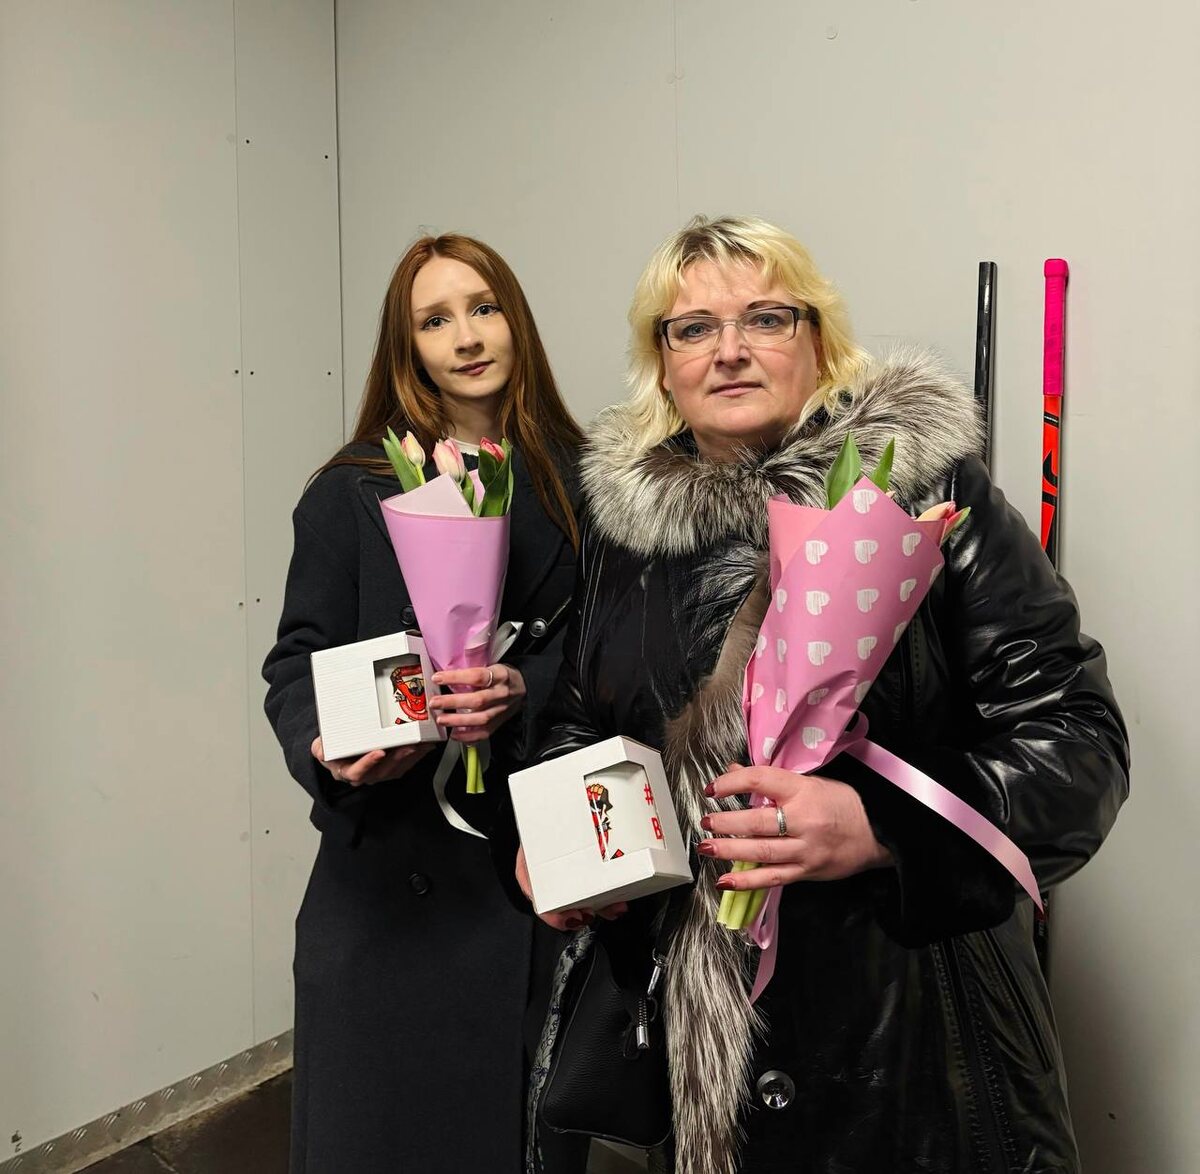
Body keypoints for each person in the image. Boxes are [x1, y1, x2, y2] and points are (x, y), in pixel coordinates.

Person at [521, 215, 1129, 1174]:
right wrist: (562, 842)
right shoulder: (622, 538)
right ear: (663, 365)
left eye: (766, 318)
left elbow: (1077, 744)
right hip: (695, 1058)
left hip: (916, 1059)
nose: (729, 349)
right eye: (693, 328)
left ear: (818, 341)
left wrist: (882, 825)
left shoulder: (929, 494)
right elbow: (577, 721)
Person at [264, 233, 585, 1174]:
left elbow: (619, 662)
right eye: (434, 320)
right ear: (406, 346)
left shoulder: (590, 485)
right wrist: (327, 746)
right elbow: (296, 663)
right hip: (384, 888)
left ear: (516, 320)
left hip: (531, 869)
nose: (466, 337)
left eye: (483, 309)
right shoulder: (351, 490)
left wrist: (522, 691)